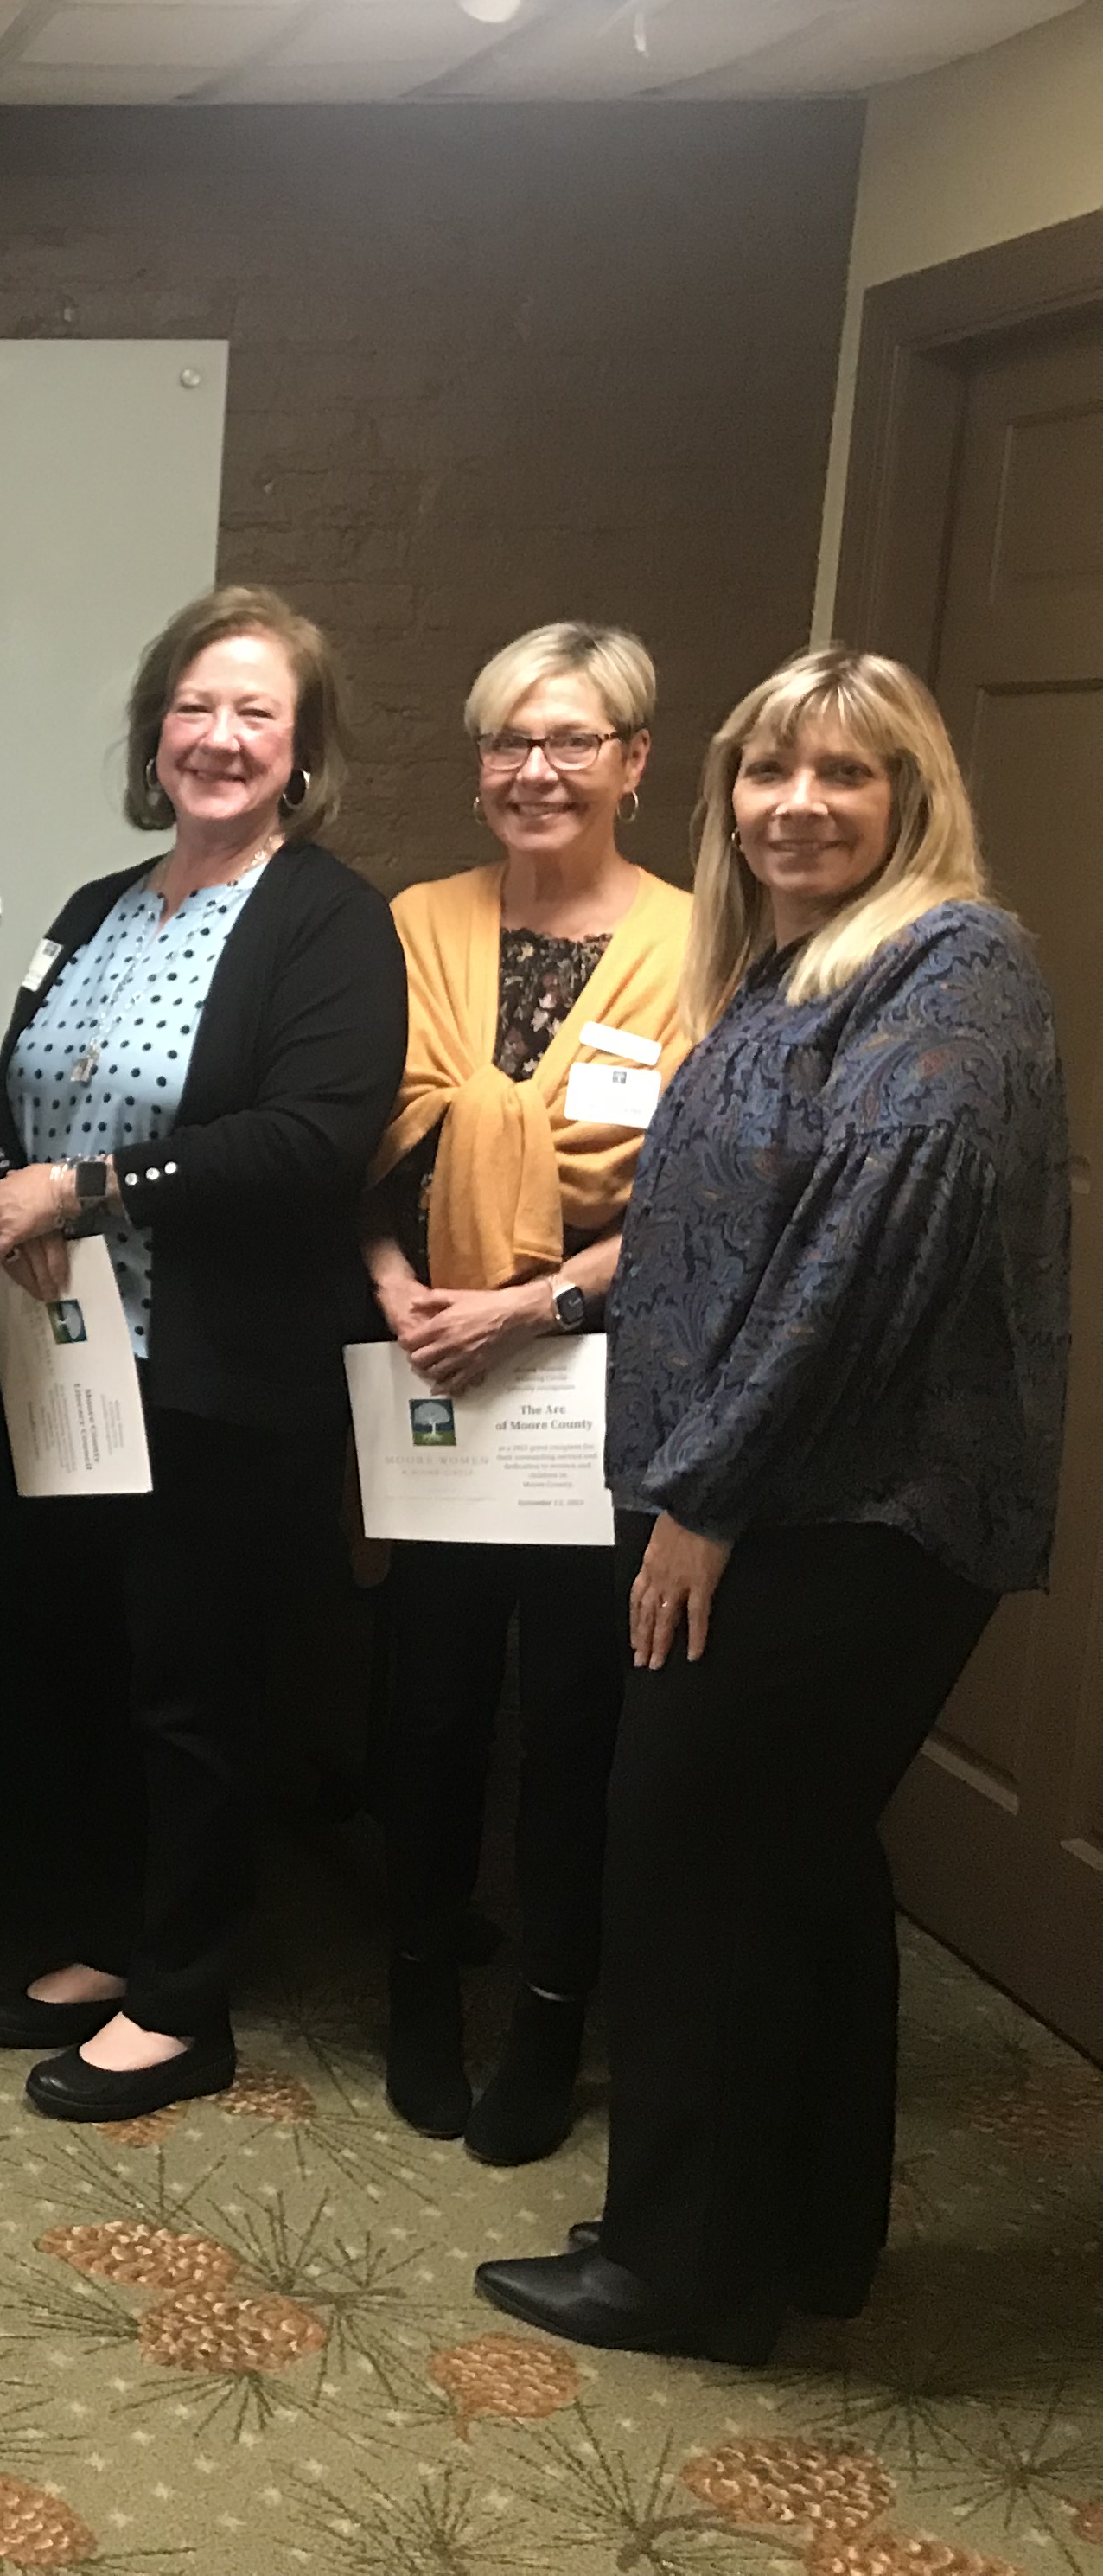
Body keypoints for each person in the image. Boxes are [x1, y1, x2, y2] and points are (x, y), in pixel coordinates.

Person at [477, 648, 1069, 2364]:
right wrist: (563, 1312)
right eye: (771, 773)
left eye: (848, 775)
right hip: (779, 1498)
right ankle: (803, 2229)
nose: (799, 805)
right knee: (798, 1866)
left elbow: (865, 1259)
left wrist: (708, 1499)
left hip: (831, 1520)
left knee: (694, 1867)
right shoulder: (795, 970)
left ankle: (684, 2268)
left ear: (913, 800)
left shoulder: (955, 968)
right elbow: (713, 1233)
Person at [0, 583, 407, 2123]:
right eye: (194, 708)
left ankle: (186, 1997)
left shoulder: (326, 919)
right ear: (154, 731)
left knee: (193, 1688)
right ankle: (111, 1941)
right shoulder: (92, 907)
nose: (218, 738)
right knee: (86, 1667)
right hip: (68, 1365)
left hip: (215, 1376)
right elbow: (4, 1104)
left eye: (254, 714)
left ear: (300, 748)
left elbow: (308, 1139)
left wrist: (85, 1190)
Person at [360, 623, 693, 2165]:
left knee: (575, 1713)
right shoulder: (414, 921)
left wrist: (534, 1301)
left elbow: (700, 1194)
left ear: (633, 759)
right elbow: (345, 1128)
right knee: (424, 1698)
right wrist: (390, 1282)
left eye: (571, 739)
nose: (533, 769)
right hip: (424, 1355)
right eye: (506, 740)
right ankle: (417, 1983)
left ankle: (554, 2007)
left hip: (595, 1369)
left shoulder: (702, 945)